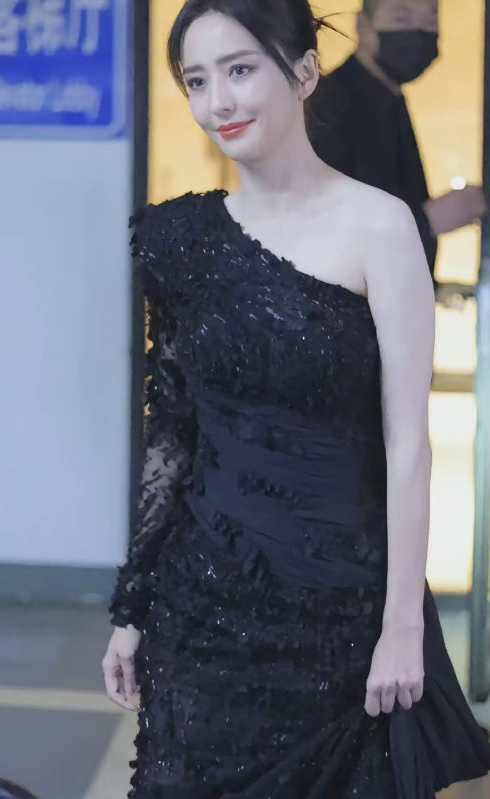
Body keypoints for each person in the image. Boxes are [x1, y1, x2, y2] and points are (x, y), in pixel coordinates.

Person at [103, 1, 490, 796]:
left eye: (241, 70)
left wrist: (402, 625)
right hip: (200, 615)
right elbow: (171, 434)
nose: (219, 101)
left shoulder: (381, 227)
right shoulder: (178, 240)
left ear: (304, 73)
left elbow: (407, 445)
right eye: (197, 80)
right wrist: (132, 607)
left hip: (340, 621)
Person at [310, 0, 487, 294]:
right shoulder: (326, 108)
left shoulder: (390, 99)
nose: (418, 32)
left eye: (431, 22)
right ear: (363, 26)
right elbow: (318, 233)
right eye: (402, 19)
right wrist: (426, 223)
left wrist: (435, 289)